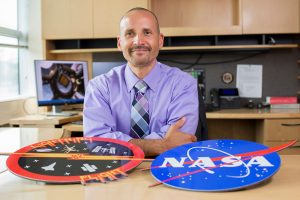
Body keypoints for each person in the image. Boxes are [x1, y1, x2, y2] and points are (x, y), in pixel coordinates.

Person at [83, 7, 198, 156]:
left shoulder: (183, 84)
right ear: (119, 43)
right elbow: (96, 141)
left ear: (160, 40)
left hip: (168, 168)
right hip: (117, 171)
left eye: (147, 32)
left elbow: (180, 138)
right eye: (130, 34)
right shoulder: (99, 87)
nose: (138, 41)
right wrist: (161, 145)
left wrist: (121, 144)